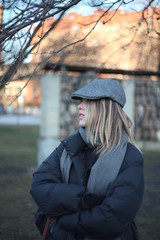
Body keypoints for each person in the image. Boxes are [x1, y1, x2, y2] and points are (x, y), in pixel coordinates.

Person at [30, 79, 144, 240]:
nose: (79, 106)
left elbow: (113, 217)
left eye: (87, 101)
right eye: (80, 101)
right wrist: (83, 199)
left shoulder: (131, 157)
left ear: (106, 107)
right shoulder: (68, 147)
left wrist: (64, 219)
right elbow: (39, 186)